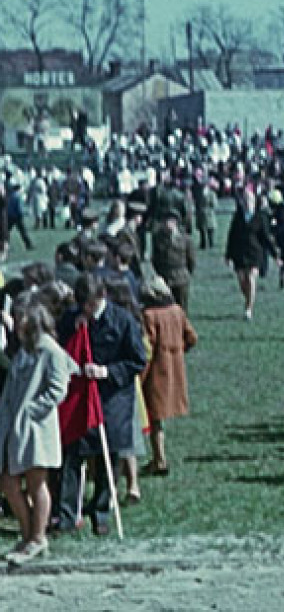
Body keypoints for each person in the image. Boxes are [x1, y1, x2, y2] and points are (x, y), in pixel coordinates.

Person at [55, 273, 147, 536]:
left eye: (91, 305)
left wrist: (106, 371)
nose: (87, 310)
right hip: (79, 397)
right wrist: (73, 328)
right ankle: (67, 514)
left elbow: (137, 361)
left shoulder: (122, 321)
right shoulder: (70, 319)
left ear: (102, 297)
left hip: (112, 398)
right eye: (83, 305)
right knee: (73, 454)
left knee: (109, 458)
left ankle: (101, 510)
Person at [0, 296, 76, 564]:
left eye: (21, 316)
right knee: (8, 482)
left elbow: (58, 388)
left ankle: (38, 537)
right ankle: (26, 532)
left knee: (36, 483)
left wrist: (32, 411)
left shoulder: (50, 350)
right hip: (13, 428)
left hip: (36, 429)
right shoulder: (24, 350)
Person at [140, 276, 198, 476]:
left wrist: (140, 376)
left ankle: (159, 459)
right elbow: (192, 337)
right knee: (158, 418)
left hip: (157, 371)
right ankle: (159, 457)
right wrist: (178, 352)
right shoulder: (177, 311)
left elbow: (147, 349)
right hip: (175, 370)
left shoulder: (149, 315)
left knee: (155, 417)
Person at [225, 190, 278, 320]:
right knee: (242, 281)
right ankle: (248, 297)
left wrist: (275, 254)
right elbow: (232, 236)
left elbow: (266, 237)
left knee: (251, 278)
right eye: (245, 201)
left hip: (255, 253)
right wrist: (228, 255)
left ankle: (249, 309)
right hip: (240, 253)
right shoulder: (238, 216)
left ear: (254, 202)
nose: (248, 203)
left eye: (250, 201)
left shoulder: (261, 217)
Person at [150, 209, 197, 313]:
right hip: (165, 276)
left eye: (171, 221)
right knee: (165, 306)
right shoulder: (157, 238)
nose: (167, 224)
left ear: (176, 223)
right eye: (165, 221)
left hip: (181, 277)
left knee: (182, 307)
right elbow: (155, 258)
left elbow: (191, 260)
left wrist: (186, 274)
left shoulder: (186, 239)